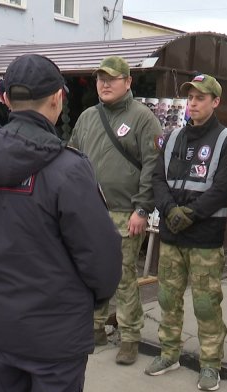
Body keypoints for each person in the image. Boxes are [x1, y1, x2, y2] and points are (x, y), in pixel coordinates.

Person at [0, 54, 122, 392]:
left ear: (7, 101)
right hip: (57, 332)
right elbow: (103, 259)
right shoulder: (69, 169)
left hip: (3, 322)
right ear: (58, 99)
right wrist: (93, 299)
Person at [144, 73, 227, 391]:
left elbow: (223, 187)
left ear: (215, 102)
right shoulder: (171, 137)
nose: (193, 103)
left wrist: (190, 214)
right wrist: (170, 209)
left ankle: (211, 365)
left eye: (200, 98)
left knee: (205, 303)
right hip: (172, 235)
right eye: (190, 97)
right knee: (168, 298)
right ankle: (169, 353)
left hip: (203, 237)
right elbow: (158, 178)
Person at [68, 55, 162, 365]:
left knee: (123, 277)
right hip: (89, 211)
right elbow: (71, 160)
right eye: (100, 79)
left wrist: (142, 209)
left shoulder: (143, 117)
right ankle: (94, 328)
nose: (105, 84)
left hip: (126, 212)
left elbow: (152, 166)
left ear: (128, 82)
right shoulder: (87, 117)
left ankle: (130, 336)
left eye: (112, 78)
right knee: (90, 274)